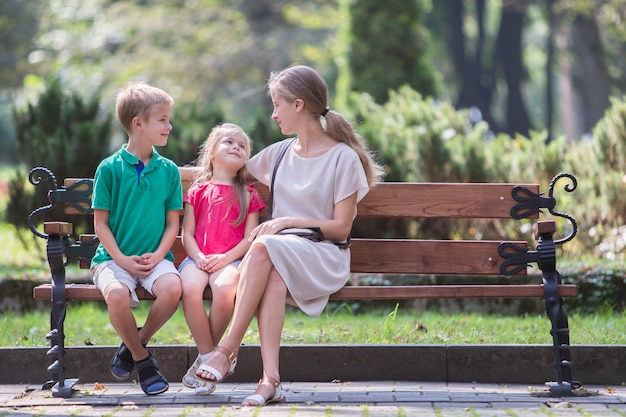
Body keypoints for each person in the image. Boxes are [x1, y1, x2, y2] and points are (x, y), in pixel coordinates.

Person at [195, 65, 384, 406]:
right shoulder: (279, 153)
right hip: (279, 256)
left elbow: (341, 227)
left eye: (277, 105)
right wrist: (161, 171)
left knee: (265, 244)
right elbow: (226, 172)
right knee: (272, 275)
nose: (273, 114)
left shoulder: (344, 158)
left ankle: (226, 350)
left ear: (298, 106)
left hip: (323, 255)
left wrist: (286, 222)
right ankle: (270, 380)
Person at [91, 82, 183, 396]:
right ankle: (143, 361)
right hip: (113, 260)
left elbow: (173, 223)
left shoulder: (169, 170)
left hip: (155, 259)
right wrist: (121, 259)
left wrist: (158, 256)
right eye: (163, 119)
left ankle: (132, 345)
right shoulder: (109, 169)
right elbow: (100, 224)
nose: (169, 126)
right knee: (116, 296)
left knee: (172, 288)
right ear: (138, 124)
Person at [179, 123, 265, 395]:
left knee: (226, 288)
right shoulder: (199, 191)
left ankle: (204, 364)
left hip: (232, 260)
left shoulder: (249, 193)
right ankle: (208, 357)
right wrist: (200, 257)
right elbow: (187, 235)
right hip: (197, 259)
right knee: (189, 287)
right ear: (212, 153)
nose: (236, 147)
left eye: (242, 146)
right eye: (229, 142)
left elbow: (250, 238)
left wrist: (225, 258)